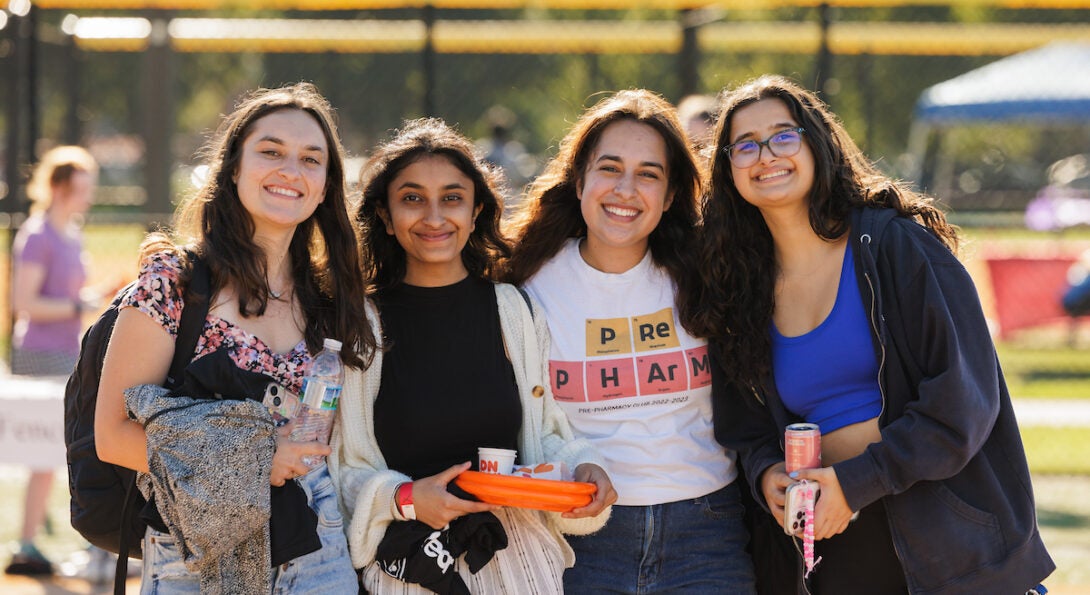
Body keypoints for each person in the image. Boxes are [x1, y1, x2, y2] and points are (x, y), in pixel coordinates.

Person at [681, 74, 1055, 593]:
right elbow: (747, 429)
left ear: (816, 144)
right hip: (835, 544)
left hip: (945, 540)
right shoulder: (737, 288)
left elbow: (962, 402)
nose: (766, 155)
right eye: (744, 145)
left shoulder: (895, 247)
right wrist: (770, 474)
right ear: (728, 170)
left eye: (783, 136)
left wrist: (856, 483)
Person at [95, 82, 375, 593]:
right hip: (197, 557)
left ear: (326, 184)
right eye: (271, 152)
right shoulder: (173, 284)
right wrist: (256, 458)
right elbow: (112, 436)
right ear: (233, 168)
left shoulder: (331, 299)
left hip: (318, 543)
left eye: (311, 160)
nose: (291, 170)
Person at [331, 117, 616, 594]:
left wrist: (584, 468)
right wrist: (405, 498)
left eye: (452, 198)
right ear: (384, 215)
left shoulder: (514, 311)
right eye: (412, 198)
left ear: (476, 209)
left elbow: (543, 438)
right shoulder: (361, 325)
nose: (435, 216)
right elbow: (346, 470)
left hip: (518, 559)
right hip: (411, 565)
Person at [503, 89, 756, 593]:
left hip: (706, 530)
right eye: (609, 168)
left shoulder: (708, 275)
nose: (626, 189)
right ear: (579, 181)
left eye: (648, 174)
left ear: (669, 195)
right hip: (581, 531)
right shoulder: (524, 287)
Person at [7, 146, 103, 577]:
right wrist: (76, 304)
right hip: (40, 355)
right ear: (62, 187)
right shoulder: (38, 234)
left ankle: (41, 541)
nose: (89, 195)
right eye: (82, 187)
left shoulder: (71, 232)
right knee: (44, 452)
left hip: (66, 351)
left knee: (60, 452)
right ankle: (26, 543)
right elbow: (23, 302)